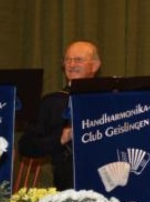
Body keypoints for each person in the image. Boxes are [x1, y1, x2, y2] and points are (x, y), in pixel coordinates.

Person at [18, 40, 102, 190]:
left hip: (108, 183)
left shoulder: (110, 99)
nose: (71, 65)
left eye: (78, 60)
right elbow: (26, 146)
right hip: (68, 186)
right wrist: (60, 139)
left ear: (95, 66)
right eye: (68, 60)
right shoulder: (52, 102)